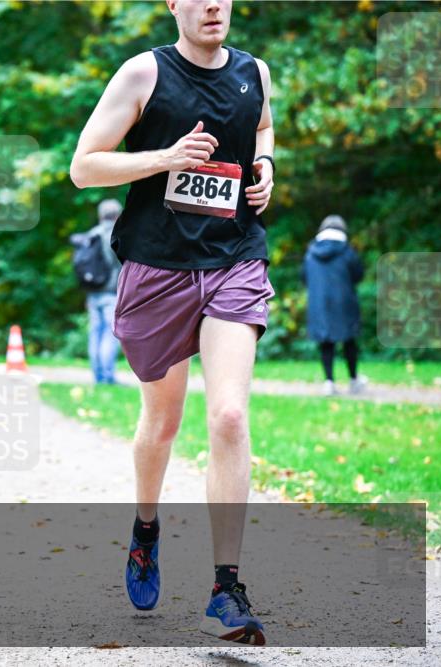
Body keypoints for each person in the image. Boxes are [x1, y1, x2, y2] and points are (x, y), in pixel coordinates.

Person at [69, 0, 274, 645]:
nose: (215, 5)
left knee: (230, 415)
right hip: (158, 268)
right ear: (174, 6)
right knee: (162, 423)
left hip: (234, 259)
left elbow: (262, 128)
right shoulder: (142, 75)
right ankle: (146, 527)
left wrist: (265, 166)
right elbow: (83, 167)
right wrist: (166, 158)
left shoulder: (255, 73)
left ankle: (226, 585)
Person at [302, 215, 365, 396]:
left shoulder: (310, 253)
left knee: (325, 342)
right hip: (344, 302)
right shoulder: (347, 252)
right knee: (349, 340)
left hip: (318, 304)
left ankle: (329, 382)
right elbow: (358, 275)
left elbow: (304, 278)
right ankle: (353, 380)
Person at [85, 199, 123, 384]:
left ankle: (97, 376)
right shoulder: (116, 235)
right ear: (118, 215)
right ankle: (107, 378)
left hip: (93, 292)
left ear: (100, 215)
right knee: (109, 333)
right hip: (111, 292)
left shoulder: (91, 234)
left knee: (95, 333)